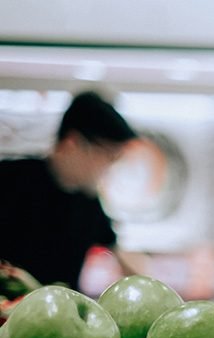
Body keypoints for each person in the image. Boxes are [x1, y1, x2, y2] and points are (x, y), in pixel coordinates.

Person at [0, 90, 145, 289]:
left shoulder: (87, 201)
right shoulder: (10, 180)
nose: (108, 168)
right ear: (73, 143)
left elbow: (118, 251)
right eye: (107, 156)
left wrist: (156, 289)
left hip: (63, 316)